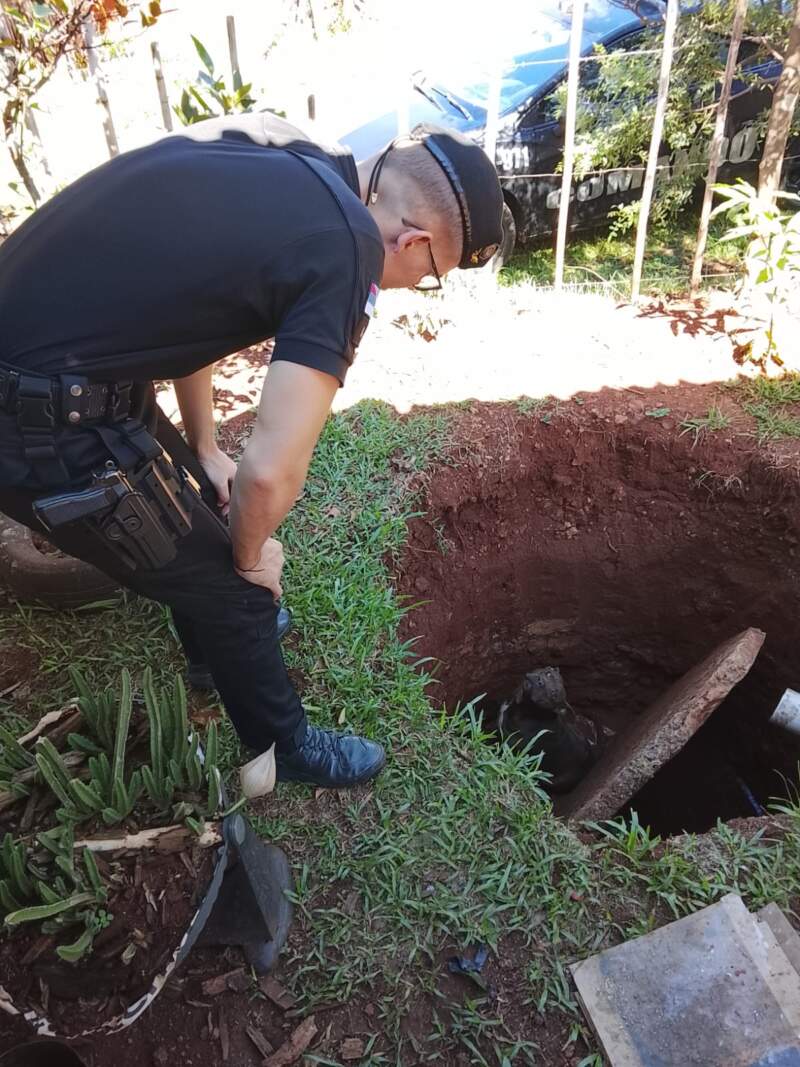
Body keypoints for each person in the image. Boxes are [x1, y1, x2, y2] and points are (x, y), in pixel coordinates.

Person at [0, 112, 503, 795]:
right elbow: (272, 470)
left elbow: (190, 314)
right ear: (413, 242)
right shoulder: (349, 250)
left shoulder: (290, 153)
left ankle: (210, 652)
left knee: (205, 497)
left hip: (71, 366)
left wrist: (205, 448)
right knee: (238, 589)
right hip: (38, 413)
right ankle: (285, 743)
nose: (420, 281)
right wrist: (250, 559)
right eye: (434, 273)